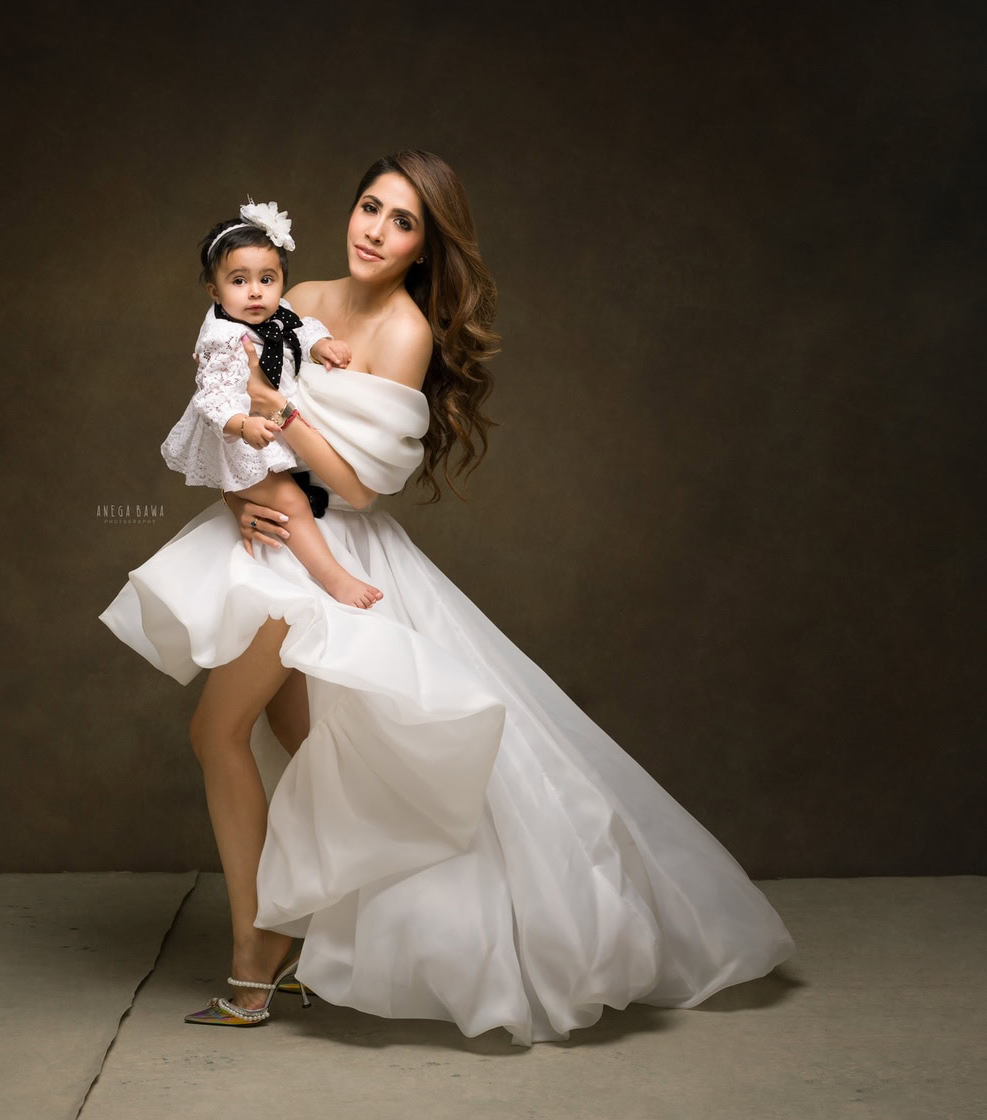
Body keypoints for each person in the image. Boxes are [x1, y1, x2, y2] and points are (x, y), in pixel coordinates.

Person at [99, 150, 795, 1044]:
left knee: (218, 731)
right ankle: (300, 933)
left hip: (327, 549)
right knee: (306, 738)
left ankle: (254, 959)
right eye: (367, 207)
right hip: (267, 531)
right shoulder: (298, 291)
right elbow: (227, 410)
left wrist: (285, 415)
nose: (374, 231)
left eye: (401, 222)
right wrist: (242, 484)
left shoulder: (405, 331)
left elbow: (355, 488)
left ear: (426, 247)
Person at [161, 199, 383, 609]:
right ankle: (335, 579)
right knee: (289, 503)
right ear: (215, 290)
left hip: (272, 427)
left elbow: (303, 330)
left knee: (294, 493)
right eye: (239, 281)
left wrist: (321, 345)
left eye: (267, 278)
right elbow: (211, 398)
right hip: (238, 437)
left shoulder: (278, 312)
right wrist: (242, 425)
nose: (256, 292)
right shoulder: (222, 338)